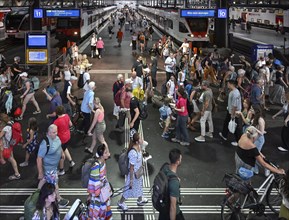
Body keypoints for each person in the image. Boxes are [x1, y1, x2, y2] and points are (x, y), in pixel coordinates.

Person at [37, 124, 69, 208]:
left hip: (53, 167)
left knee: (44, 179)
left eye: (56, 131)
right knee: (55, 183)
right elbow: (39, 159)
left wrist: (62, 153)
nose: (56, 133)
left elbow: (59, 145)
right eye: (54, 132)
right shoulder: (45, 144)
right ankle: (58, 199)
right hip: (49, 169)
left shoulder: (56, 138)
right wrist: (40, 173)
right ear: (49, 133)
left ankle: (36, 195)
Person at [118, 132, 148, 211]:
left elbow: (144, 145)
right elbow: (131, 168)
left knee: (139, 187)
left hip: (138, 173)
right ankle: (121, 202)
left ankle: (140, 199)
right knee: (128, 189)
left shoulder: (138, 146)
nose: (142, 139)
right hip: (134, 175)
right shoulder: (133, 153)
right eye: (140, 138)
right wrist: (131, 180)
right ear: (137, 141)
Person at [87, 144, 112, 219]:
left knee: (99, 211)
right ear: (101, 155)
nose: (108, 153)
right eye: (106, 152)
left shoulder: (103, 162)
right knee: (98, 211)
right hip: (98, 194)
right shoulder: (96, 167)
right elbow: (94, 183)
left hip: (102, 192)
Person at [158, 148, 184, 220]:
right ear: (178, 162)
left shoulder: (165, 167)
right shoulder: (174, 183)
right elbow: (173, 206)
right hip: (171, 213)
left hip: (163, 207)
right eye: (180, 158)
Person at [219, 80, 242, 146]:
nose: (227, 85)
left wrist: (232, 114)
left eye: (228, 84)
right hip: (230, 111)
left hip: (234, 112)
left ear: (231, 84)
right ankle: (224, 135)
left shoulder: (235, 93)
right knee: (226, 122)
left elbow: (234, 105)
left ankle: (238, 141)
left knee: (236, 126)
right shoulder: (234, 91)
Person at [53, 106, 75, 176]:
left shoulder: (56, 121)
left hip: (61, 140)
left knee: (61, 155)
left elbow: (54, 131)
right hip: (67, 137)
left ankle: (61, 170)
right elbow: (71, 125)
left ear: (57, 113)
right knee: (65, 148)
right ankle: (71, 161)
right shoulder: (67, 116)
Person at [0, 113, 21, 180]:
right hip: (11, 143)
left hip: (6, 146)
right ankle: (17, 173)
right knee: (12, 158)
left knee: (11, 159)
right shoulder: (11, 123)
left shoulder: (5, 129)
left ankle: (17, 174)